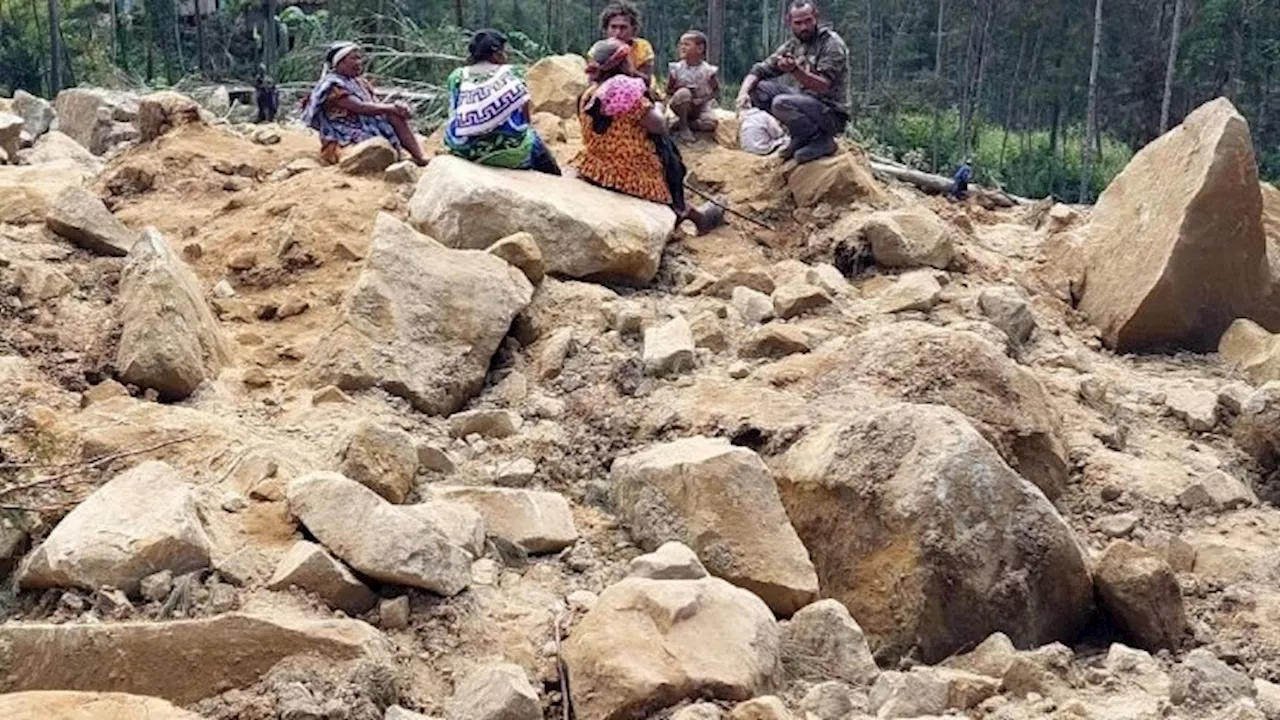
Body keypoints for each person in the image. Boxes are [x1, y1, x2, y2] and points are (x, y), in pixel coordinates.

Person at [574, 38, 724, 234]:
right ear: (621, 63)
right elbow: (659, 125)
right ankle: (683, 210)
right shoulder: (624, 90)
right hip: (630, 172)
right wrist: (659, 107)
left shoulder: (590, 91)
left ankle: (689, 213)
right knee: (667, 151)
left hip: (597, 165)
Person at [735, 1, 850, 164]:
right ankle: (801, 136)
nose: (804, 27)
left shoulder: (831, 44)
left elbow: (824, 85)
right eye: (798, 23)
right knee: (758, 90)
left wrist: (795, 70)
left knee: (781, 103)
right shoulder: (793, 45)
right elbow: (759, 70)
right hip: (805, 101)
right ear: (789, 22)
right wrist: (743, 93)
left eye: (808, 21)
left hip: (830, 111)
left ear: (816, 17)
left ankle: (820, 140)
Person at [444, 30, 561, 174]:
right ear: (496, 54)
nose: (507, 56)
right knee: (535, 143)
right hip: (510, 153)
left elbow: (454, 113)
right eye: (504, 52)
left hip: (466, 152)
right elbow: (525, 117)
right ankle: (554, 179)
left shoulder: (457, 76)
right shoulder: (512, 72)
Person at [300, 42, 429, 166]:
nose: (359, 62)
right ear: (340, 62)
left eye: (359, 58)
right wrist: (391, 108)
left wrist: (397, 107)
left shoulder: (358, 82)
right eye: (354, 58)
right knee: (385, 123)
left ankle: (419, 156)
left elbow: (375, 103)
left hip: (364, 124)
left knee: (395, 116)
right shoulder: (333, 85)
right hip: (343, 134)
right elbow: (360, 107)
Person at [666, 31, 719, 143]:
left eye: (687, 44)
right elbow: (668, 90)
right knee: (684, 93)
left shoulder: (708, 71)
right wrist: (680, 89)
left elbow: (715, 91)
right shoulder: (676, 69)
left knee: (710, 124)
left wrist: (701, 100)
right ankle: (684, 127)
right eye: (681, 44)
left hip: (700, 108)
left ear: (700, 49)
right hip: (681, 104)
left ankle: (682, 124)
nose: (682, 47)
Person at [600, 1, 657, 90]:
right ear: (606, 29)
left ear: (633, 29)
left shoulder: (643, 48)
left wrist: (630, 71)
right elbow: (593, 80)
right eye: (613, 27)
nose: (618, 33)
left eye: (623, 27)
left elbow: (646, 81)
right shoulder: (598, 49)